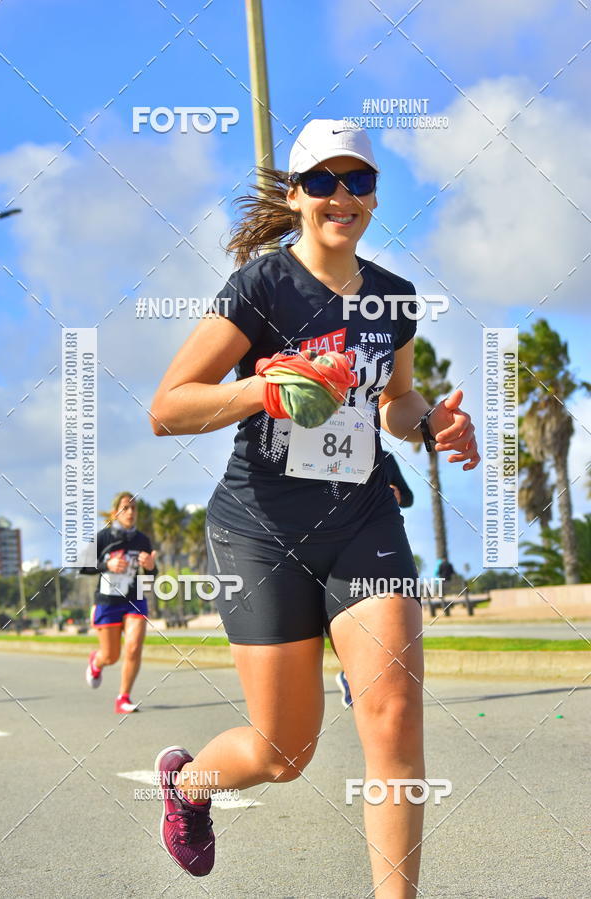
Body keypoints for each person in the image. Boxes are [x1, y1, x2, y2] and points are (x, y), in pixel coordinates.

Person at [150, 119, 479, 895]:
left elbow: (395, 401)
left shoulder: (393, 299)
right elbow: (168, 406)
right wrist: (263, 389)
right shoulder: (261, 286)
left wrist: (431, 421)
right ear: (296, 195)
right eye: (324, 180)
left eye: (358, 180)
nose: (342, 195)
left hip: (363, 520)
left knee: (393, 715)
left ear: (374, 197)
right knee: (283, 753)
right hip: (260, 530)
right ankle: (190, 785)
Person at [336, 449, 413, 710]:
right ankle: (349, 675)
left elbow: (408, 496)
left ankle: (351, 678)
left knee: (376, 621)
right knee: (343, 621)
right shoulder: (332, 451)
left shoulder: (385, 457)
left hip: (380, 542)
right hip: (337, 541)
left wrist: (396, 493)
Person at [81, 491, 157, 713]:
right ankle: (97, 661)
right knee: (111, 656)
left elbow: (150, 576)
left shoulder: (142, 540)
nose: (130, 512)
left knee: (133, 648)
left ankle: (123, 698)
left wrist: (151, 567)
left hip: (135, 599)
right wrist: (107, 565)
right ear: (115, 512)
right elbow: (82, 566)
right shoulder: (103, 538)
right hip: (108, 601)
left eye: (134, 508)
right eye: (125, 508)